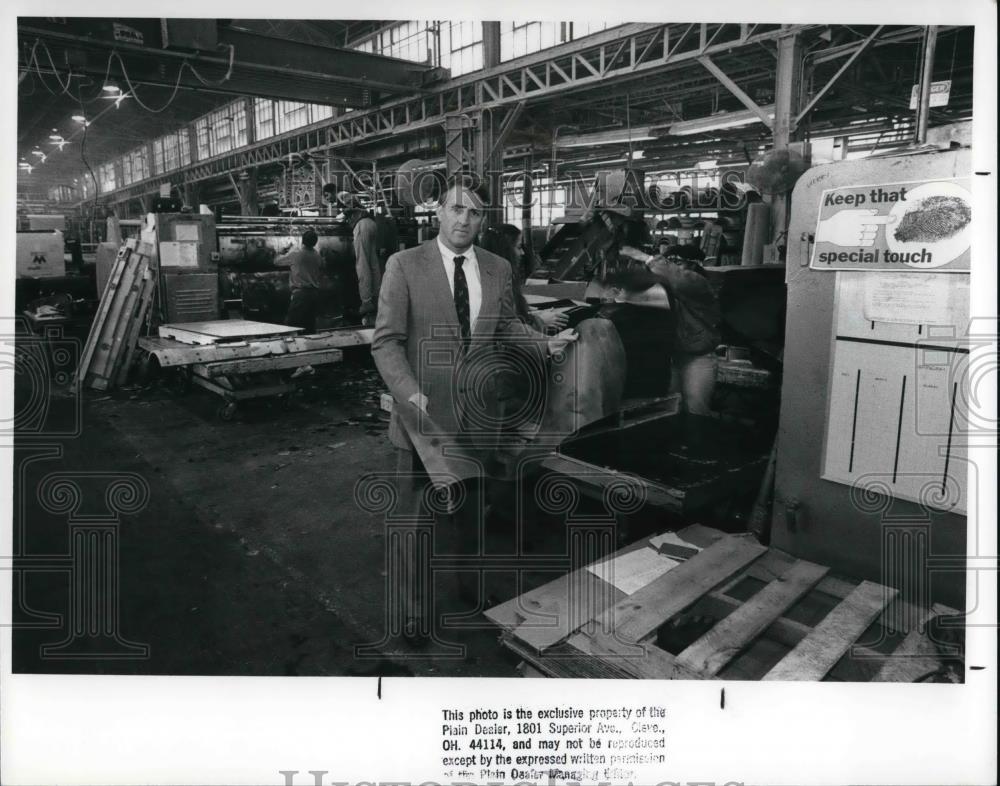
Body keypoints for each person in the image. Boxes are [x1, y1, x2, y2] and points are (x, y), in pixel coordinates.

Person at [371, 175, 578, 644]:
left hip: (480, 415)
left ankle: (470, 587)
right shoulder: (404, 265)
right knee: (417, 523)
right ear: (439, 212)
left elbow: (505, 325)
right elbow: (386, 341)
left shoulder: (497, 267)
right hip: (423, 420)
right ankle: (412, 612)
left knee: (470, 514)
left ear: (483, 220)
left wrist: (546, 344)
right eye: (457, 209)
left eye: (475, 213)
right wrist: (410, 395)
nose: (465, 219)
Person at [621, 243, 721, 414]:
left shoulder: (698, 284)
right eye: (669, 261)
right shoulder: (665, 287)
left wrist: (646, 258)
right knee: (670, 408)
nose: (671, 265)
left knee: (696, 407)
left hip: (697, 358)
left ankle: (695, 440)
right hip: (670, 358)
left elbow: (679, 279)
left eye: (676, 261)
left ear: (693, 264)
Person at [335, 191, 382, 327]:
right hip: (371, 224)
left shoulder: (342, 197)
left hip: (362, 226)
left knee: (362, 265)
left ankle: (366, 302)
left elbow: (345, 213)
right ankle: (376, 298)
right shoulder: (354, 201)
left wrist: (341, 215)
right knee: (373, 264)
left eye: (327, 195)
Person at [275, 229, 323, 334]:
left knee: (290, 325)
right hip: (314, 294)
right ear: (315, 242)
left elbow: (276, 261)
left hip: (301, 294)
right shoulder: (317, 256)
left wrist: (283, 251)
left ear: (302, 240)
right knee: (309, 326)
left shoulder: (295, 254)